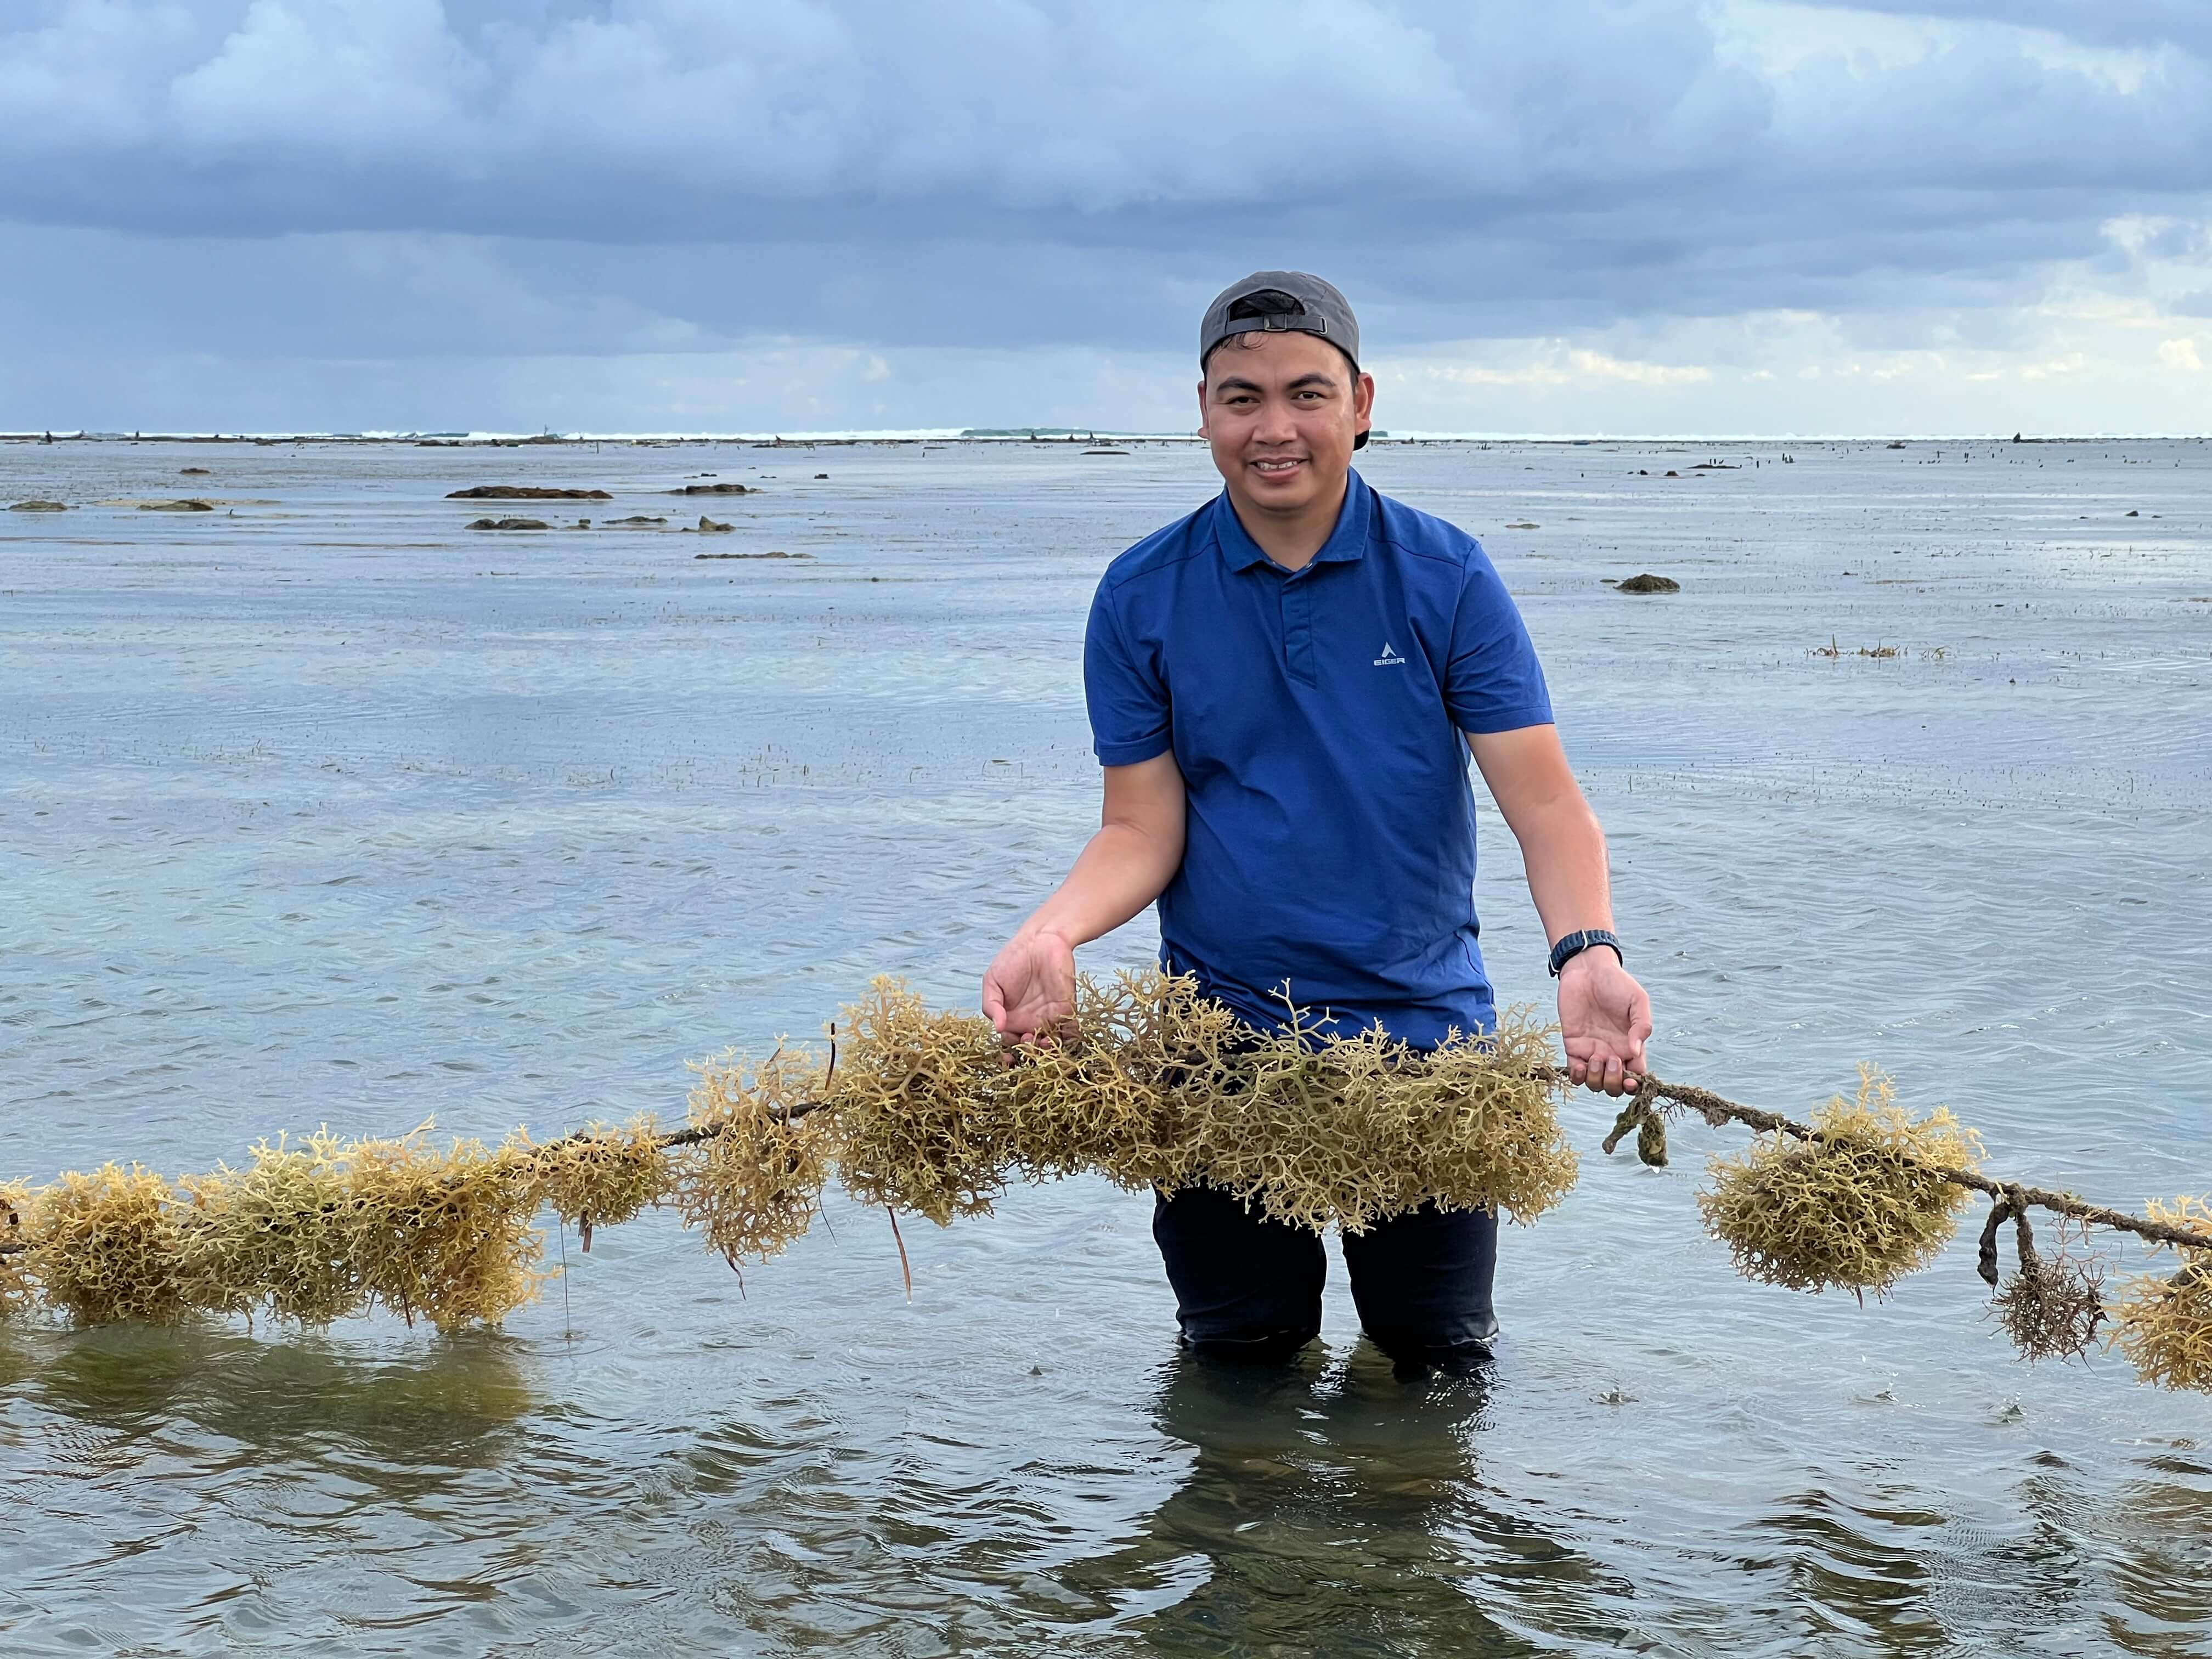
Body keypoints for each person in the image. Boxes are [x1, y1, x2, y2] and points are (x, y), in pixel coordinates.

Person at [981, 271, 1652, 1368]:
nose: (1274, 427)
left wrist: (1587, 951)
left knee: (1435, 1380)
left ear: (1362, 402)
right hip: (1218, 1054)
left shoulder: (1445, 577)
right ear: (1203, 411)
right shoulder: (1143, 593)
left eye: (1306, 392)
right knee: (1237, 1375)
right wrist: (1050, 935)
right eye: (1241, 398)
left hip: (1427, 1054)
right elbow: (1140, 830)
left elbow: (1546, 805)